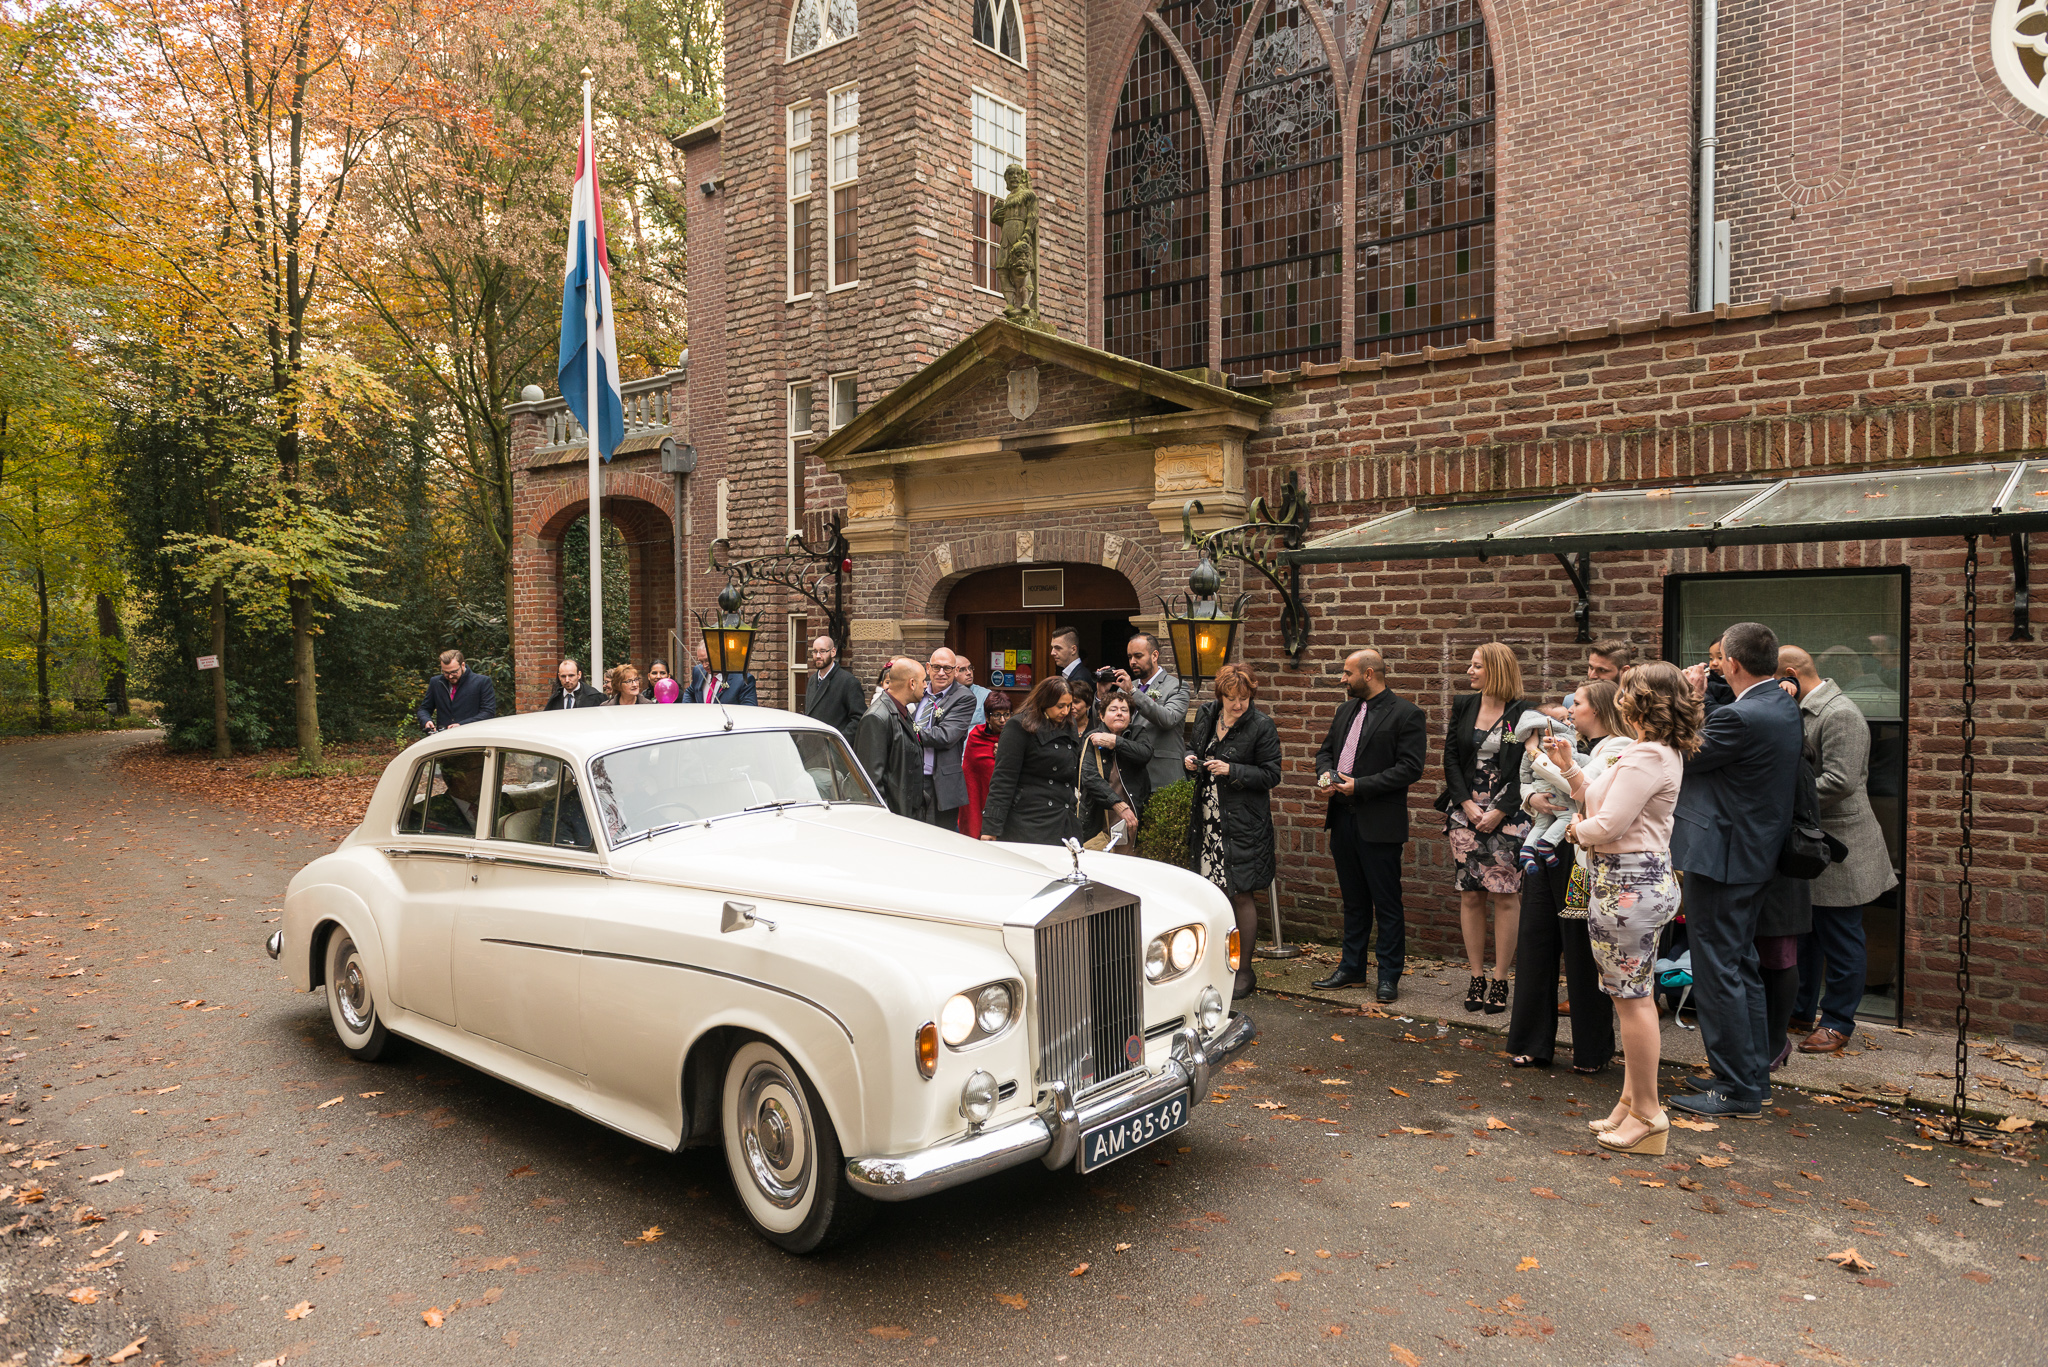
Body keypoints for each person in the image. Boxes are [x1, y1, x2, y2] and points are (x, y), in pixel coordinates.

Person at [1552, 660, 1700, 1155]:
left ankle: (1648, 1114)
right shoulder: (1648, 751)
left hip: (1628, 885)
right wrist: (1569, 766)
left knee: (1632, 1000)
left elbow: (1607, 824)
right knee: (1629, 995)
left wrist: (1574, 831)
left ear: (1639, 702)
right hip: (1629, 882)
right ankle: (1629, 1102)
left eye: (1625, 691)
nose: (1618, 697)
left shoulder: (1647, 755)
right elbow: (1595, 799)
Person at [1666, 622, 1805, 1120]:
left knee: (1718, 971)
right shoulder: (1780, 704)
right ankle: (1751, 1077)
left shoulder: (1742, 716)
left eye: (1720, 659)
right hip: (1753, 854)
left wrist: (1690, 698)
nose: (1717, 665)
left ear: (1733, 663)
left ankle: (1735, 1089)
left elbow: (1684, 755)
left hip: (1725, 857)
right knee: (1741, 965)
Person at [1779, 645, 1896, 1056]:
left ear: (1790, 675)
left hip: (1841, 847)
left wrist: (1780, 800)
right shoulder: (1805, 709)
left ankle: (1838, 1021)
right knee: (1806, 936)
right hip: (1811, 844)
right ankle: (1800, 1011)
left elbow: (1841, 781)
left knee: (1841, 938)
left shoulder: (1840, 713)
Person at [1508, 679, 1629, 1072]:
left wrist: (1534, 752)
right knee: (1535, 940)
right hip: (1547, 845)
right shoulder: (1566, 741)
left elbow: (1581, 788)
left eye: (1577, 703)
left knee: (1580, 950)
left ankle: (1591, 1050)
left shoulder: (1618, 747)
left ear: (1599, 709)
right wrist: (1530, 797)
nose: (1570, 709)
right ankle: (1531, 1041)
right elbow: (1534, 785)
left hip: (1581, 856)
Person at [1309, 649, 1427, 1002]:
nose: (1342, 679)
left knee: (1387, 903)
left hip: (1380, 824)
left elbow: (1410, 768)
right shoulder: (1345, 711)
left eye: (1347, 673)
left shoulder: (1406, 713)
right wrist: (1326, 777)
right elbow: (1325, 752)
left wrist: (1360, 785)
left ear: (1369, 674)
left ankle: (1388, 976)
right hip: (1342, 820)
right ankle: (1352, 969)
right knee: (1353, 902)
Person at [1184, 664, 1283, 1001]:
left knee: (1241, 893)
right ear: (1220, 696)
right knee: (1212, 892)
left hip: (1243, 823)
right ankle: (1215, 965)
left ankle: (1244, 971)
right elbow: (1193, 747)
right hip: (1208, 818)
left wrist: (1232, 769)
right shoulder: (1207, 714)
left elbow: (1271, 774)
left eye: (1244, 698)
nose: (1238, 704)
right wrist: (1190, 760)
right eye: (1231, 698)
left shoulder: (1261, 726)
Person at [1442, 642, 1530, 1014]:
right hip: (1465, 813)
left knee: (1505, 895)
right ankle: (1476, 976)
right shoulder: (1464, 705)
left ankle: (1500, 978)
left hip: (1507, 815)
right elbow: (1450, 757)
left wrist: (1499, 811)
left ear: (1496, 669)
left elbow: (1527, 768)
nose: (1470, 671)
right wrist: (1464, 803)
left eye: (1477, 665)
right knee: (1471, 894)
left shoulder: (1522, 713)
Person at [980, 676, 1134, 847]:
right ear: (1045, 701)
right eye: (1060, 706)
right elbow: (1003, 780)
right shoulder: (1019, 726)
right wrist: (991, 828)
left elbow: (1075, 771)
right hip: (1029, 820)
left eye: (1069, 705)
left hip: (1063, 819)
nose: (1066, 711)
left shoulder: (1069, 724)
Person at [1109, 633, 1190, 810]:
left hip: (1163, 779)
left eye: (1138, 656)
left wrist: (1133, 692)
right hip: (1130, 782)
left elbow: (1168, 719)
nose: (1132, 662)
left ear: (1154, 655)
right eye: (1130, 657)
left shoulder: (1177, 686)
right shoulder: (1125, 689)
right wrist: (1101, 695)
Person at [856, 658, 928, 820]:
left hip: (909, 814)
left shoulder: (902, 712)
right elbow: (871, 781)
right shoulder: (877, 718)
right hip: (894, 819)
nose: (926, 685)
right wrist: (887, 820)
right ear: (912, 683)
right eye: (923, 681)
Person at [914, 648, 975, 830]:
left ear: (955, 671)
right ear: (928, 668)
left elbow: (945, 736)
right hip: (912, 778)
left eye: (947, 668)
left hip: (941, 784)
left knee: (941, 837)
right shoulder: (916, 692)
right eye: (936, 667)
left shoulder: (964, 697)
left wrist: (908, 731)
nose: (941, 673)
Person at [1086, 689, 1155, 816]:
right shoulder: (1092, 737)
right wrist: (1116, 803)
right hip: (1101, 810)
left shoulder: (1137, 732)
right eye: (1113, 710)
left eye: (1124, 710)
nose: (1119, 713)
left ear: (1130, 717)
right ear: (1101, 716)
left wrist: (1116, 742)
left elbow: (1145, 754)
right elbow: (1089, 777)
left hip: (1133, 807)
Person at [958, 688, 1012, 839]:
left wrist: (1005, 754)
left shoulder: (1015, 737)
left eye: (1007, 714)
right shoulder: (976, 736)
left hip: (1006, 802)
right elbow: (971, 774)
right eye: (997, 715)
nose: (1003, 720)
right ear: (987, 717)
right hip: (978, 798)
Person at [802, 635, 865, 744]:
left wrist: (838, 743)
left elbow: (859, 718)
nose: (818, 656)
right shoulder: (812, 680)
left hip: (833, 748)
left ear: (833, 652)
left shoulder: (848, 681)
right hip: (811, 747)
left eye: (822, 651)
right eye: (815, 651)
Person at [417, 649, 497, 732]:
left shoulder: (482, 682)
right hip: (444, 736)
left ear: (463, 665)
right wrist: (426, 721)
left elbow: (488, 713)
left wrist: (461, 725)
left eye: (454, 672)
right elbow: (424, 709)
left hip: (472, 735)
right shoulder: (436, 682)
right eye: (446, 672)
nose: (450, 676)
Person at [688, 653, 758, 705]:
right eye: (701, 661)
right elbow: (690, 692)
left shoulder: (743, 680)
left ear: (719, 656)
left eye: (707, 660)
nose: (704, 665)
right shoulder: (698, 671)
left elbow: (749, 710)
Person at [955, 658, 991, 726]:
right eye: (962, 670)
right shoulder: (944, 694)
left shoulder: (986, 695)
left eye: (970, 668)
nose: (969, 672)